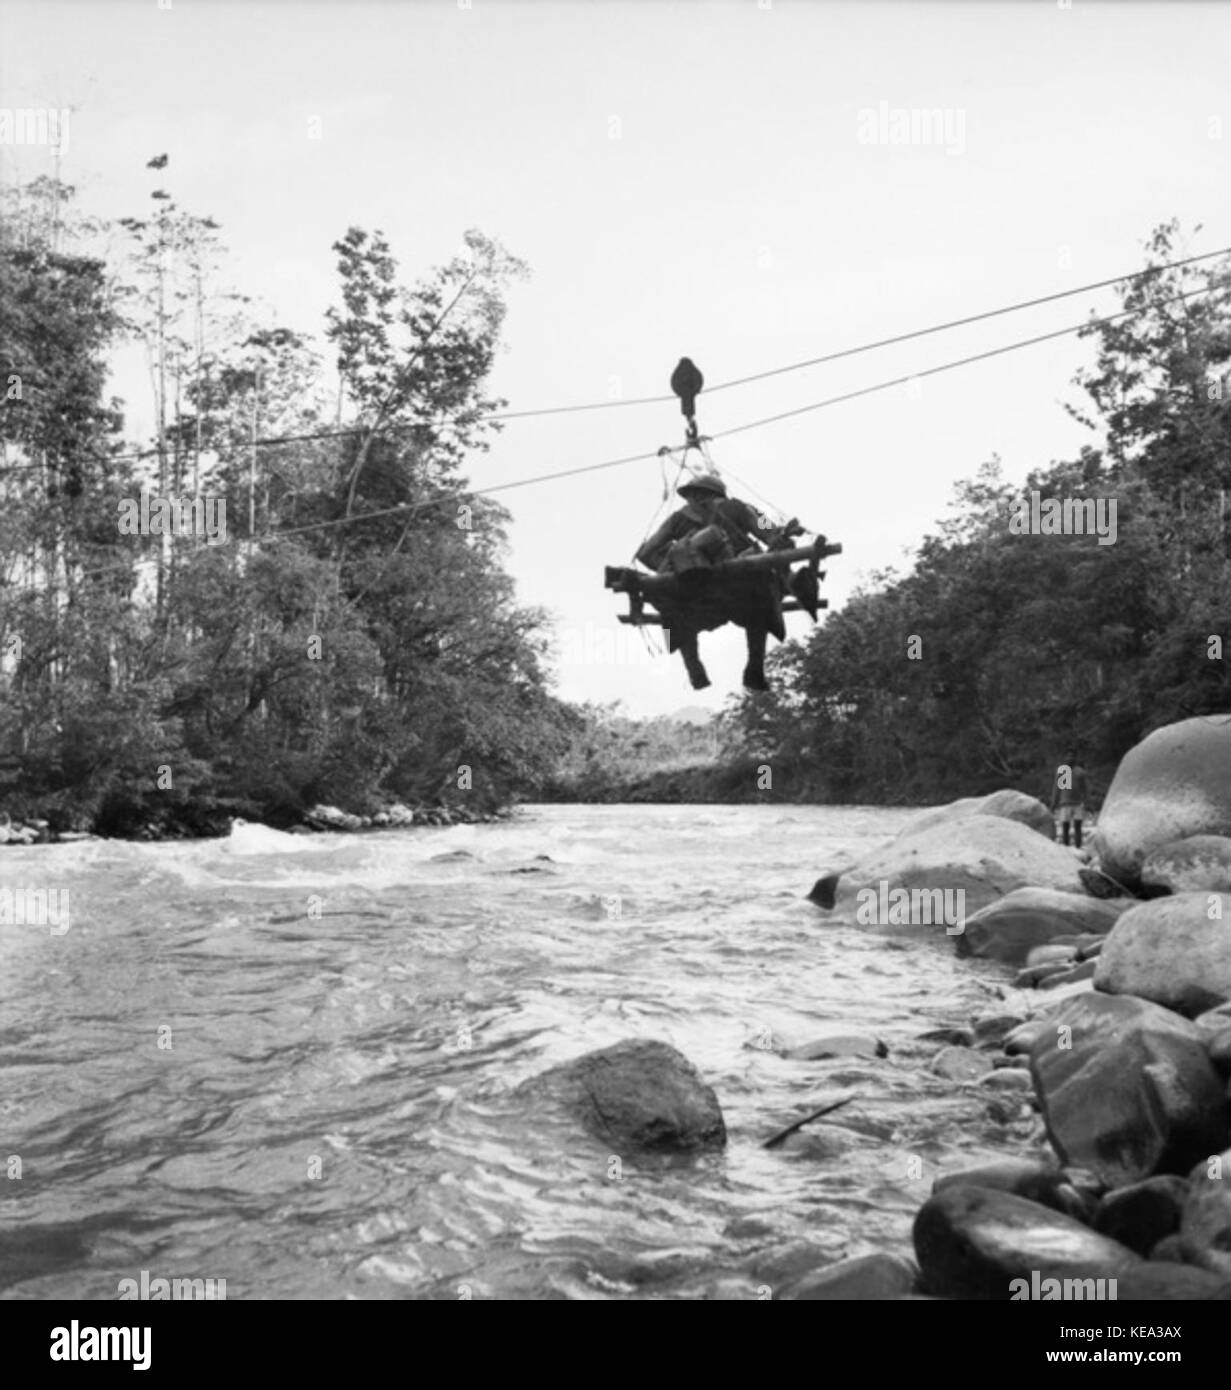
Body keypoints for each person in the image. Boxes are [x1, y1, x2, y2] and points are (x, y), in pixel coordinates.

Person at [1050, 752, 1090, 849]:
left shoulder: (1080, 772)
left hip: (1077, 803)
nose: (1070, 758)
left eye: (1072, 756)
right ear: (1064, 758)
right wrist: (1054, 803)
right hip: (1065, 803)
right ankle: (1066, 847)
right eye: (1068, 756)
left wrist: (1087, 802)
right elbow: (1058, 788)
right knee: (1065, 826)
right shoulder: (1063, 771)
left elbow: (1085, 789)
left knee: (1078, 826)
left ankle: (1078, 847)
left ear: (1075, 759)